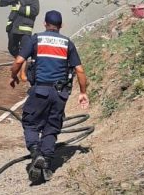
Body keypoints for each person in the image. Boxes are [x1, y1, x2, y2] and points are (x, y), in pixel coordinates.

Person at [9, 10, 90, 183]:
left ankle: (36, 152)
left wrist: (14, 76)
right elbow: (80, 70)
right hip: (60, 94)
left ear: (45, 24)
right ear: (61, 26)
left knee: (30, 123)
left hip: (40, 91)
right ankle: (45, 162)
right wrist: (83, 92)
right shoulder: (68, 43)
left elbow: (18, 62)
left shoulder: (36, 39)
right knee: (51, 127)